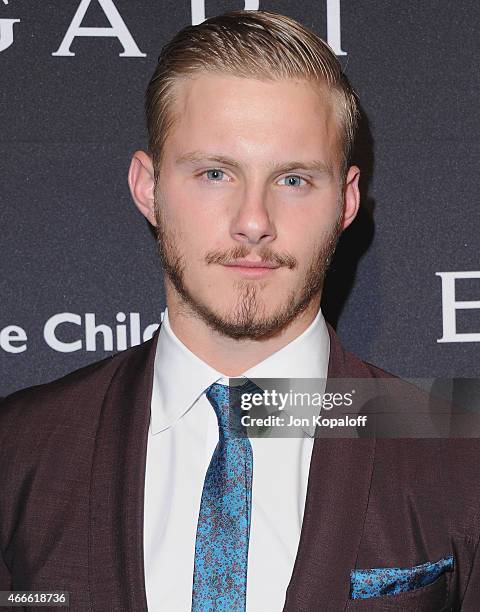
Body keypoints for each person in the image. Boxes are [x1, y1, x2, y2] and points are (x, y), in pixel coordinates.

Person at [1, 9, 479, 612]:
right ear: (148, 187)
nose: (253, 221)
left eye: (294, 180)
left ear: (347, 200)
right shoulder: (19, 449)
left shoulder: (460, 456)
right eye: (215, 173)